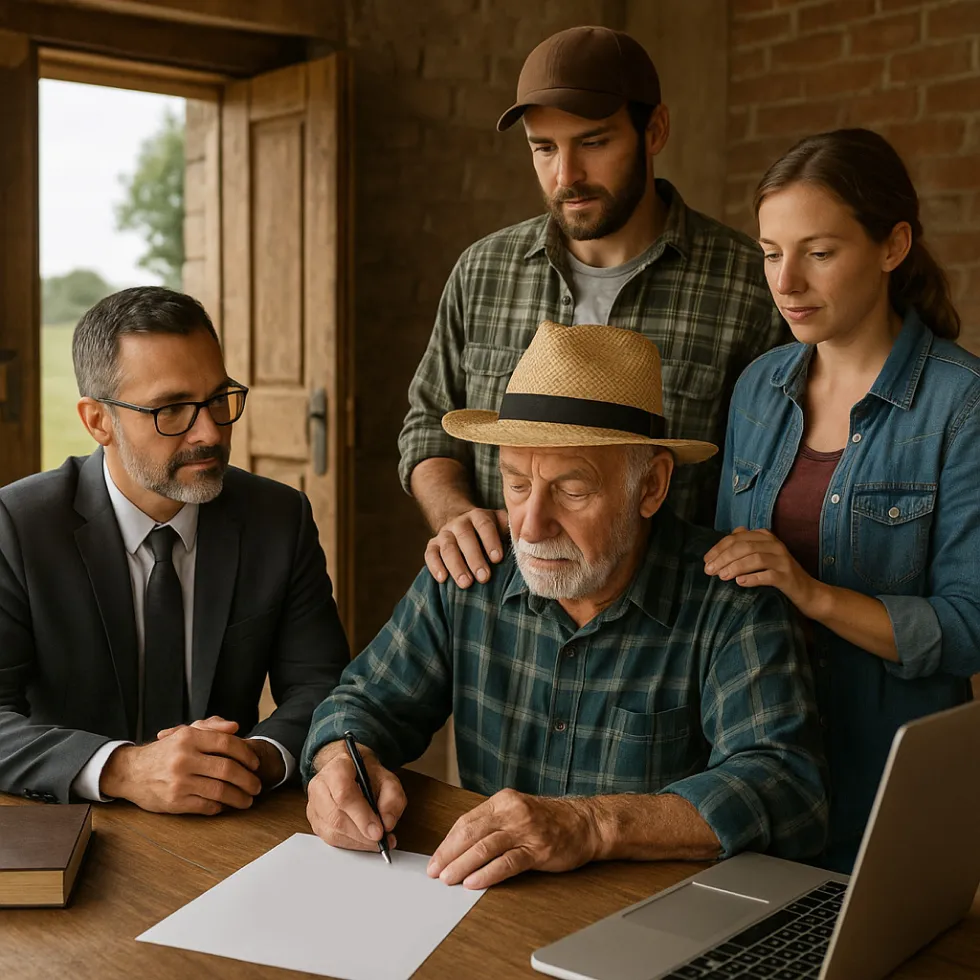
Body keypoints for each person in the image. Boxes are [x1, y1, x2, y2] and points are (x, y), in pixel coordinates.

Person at [304, 322, 827, 889]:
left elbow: (786, 785)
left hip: (646, 929)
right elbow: (363, 702)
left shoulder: (730, 600)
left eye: (572, 491)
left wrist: (594, 825)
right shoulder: (473, 569)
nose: (531, 526)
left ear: (651, 486)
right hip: (486, 908)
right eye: (516, 484)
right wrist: (339, 762)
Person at [398, 24, 788, 592]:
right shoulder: (482, 271)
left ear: (653, 130)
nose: (566, 176)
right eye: (544, 148)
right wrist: (454, 514)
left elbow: (775, 472)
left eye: (594, 142)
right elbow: (428, 426)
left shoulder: (748, 283)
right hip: (501, 613)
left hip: (673, 629)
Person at [708, 128, 980, 872]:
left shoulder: (961, 404)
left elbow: (969, 627)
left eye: (818, 253)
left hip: (888, 777)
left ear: (893, 246)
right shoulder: (758, 387)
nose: (786, 281)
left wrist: (812, 594)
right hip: (756, 764)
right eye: (771, 253)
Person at [0, 287, 350, 812]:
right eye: (172, 409)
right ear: (98, 420)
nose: (208, 431)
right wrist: (122, 768)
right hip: (74, 824)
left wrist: (248, 758)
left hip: (231, 820)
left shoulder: (278, 518)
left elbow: (321, 684)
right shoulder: (19, 524)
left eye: (217, 399)